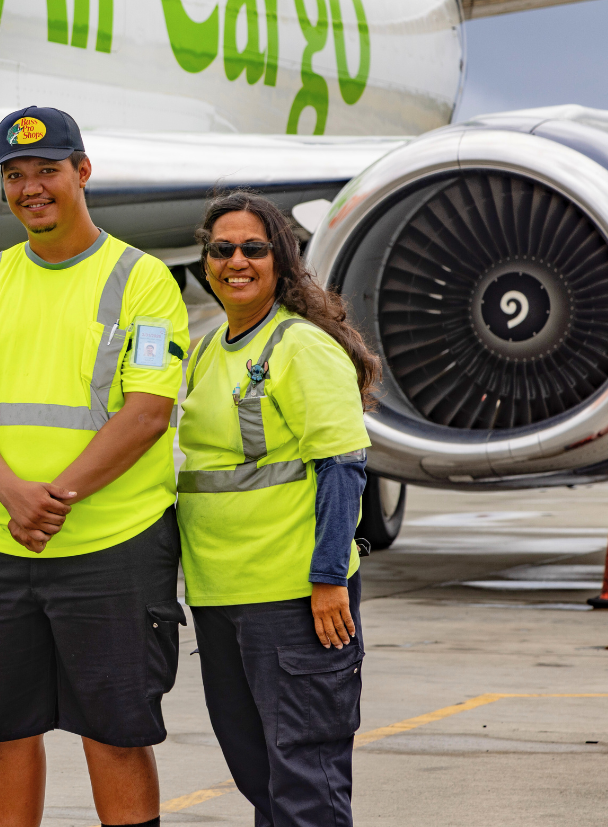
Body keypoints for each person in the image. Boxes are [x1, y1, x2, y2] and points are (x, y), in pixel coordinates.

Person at [0, 106, 190, 827]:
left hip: (111, 545)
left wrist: (57, 496)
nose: (30, 188)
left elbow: (146, 411)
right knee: (5, 732)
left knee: (114, 733)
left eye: (47, 170)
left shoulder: (142, 282)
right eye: (15, 175)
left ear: (82, 172)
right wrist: (14, 494)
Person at [177, 190, 376, 827]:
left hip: (295, 603)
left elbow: (342, 469)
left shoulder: (303, 347)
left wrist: (326, 581)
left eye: (253, 249)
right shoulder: (208, 350)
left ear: (281, 260)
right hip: (220, 598)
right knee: (260, 778)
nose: (237, 260)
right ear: (205, 261)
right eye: (222, 249)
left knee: (305, 783)